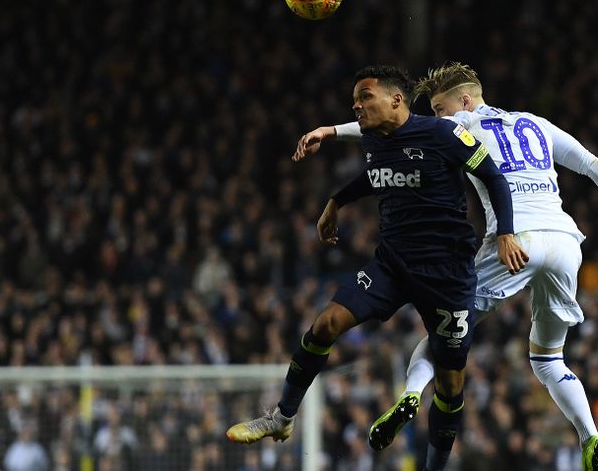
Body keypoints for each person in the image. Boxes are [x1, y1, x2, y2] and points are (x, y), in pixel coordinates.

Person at [295, 62, 598, 471]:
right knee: (547, 359)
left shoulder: (464, 122)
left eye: (440, 108)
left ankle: (411, 393)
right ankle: (591, 435)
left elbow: (398, 126)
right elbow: (590, 163)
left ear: (465, 101)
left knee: (444, 329)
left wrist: (331, 131)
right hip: (564, 242)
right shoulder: (536, 124)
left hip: (514, 242)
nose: (437, 118)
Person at [226, 65, 528, 471]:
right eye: (356, 99)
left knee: (450, 384)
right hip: (392, 264)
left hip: (448, 274)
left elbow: (493, 178)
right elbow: (377, 175)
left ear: (396, 100)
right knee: (326, 324)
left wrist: (505, 232)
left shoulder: (446, 134)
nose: (357, 104)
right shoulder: (374, 138)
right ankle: (282, 418)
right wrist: (336, 201)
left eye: (365, 96)